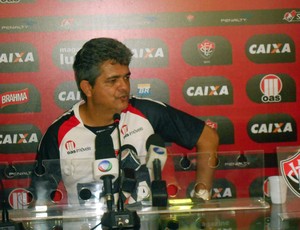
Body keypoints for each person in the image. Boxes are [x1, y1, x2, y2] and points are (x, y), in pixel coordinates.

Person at [34, 37, 219, 207]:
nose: (124, 86)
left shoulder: (147, 112)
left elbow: (208, 138)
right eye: (112, 80)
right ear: (87, 88)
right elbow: (39, 199)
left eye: (126, 77)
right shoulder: (58, 134)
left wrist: (201, 201)